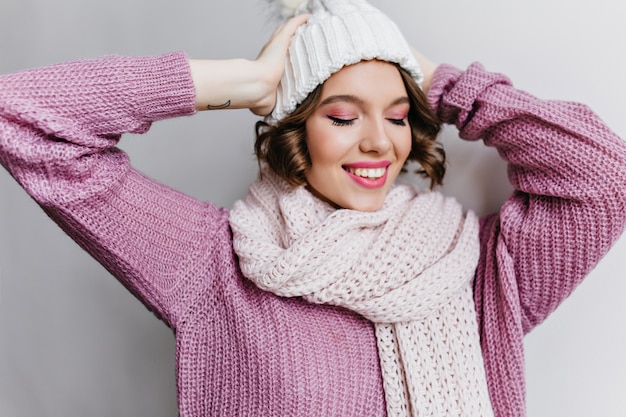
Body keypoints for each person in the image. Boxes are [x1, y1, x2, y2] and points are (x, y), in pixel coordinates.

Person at [0, 0, 624, 416]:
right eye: (344, 115)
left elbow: (603, 174)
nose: (381, 141)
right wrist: (234, 85)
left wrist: (446, 86)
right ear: (294, 130)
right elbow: (21, 119)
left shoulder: (479, 270)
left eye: (400, 116)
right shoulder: (212, 265)